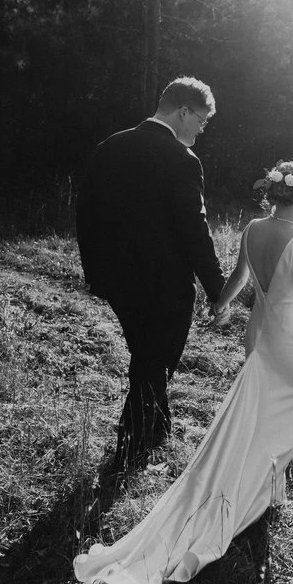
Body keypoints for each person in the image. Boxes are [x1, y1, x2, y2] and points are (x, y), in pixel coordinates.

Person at [74, 160, 293, 584]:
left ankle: (267, 487)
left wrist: (220, 304)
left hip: (261, 337)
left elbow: (238, 277)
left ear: (273, 194)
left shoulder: (253, 229)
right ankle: (255, 490)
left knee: (261, 414)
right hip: (290, 343)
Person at [76, 76, 228, 469]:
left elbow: (85, 215)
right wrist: (217, 289)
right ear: (183, 111)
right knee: (154, 359)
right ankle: (130, 446)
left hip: (116, 280)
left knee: (146, 352)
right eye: (201, 120)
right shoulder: (181, 159)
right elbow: (194, 229)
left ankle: (158, 428)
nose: (201, 129)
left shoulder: (110, 146)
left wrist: (95, 273)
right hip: (165, 284)